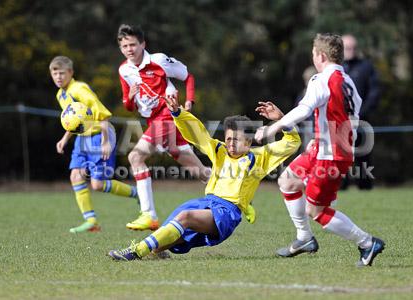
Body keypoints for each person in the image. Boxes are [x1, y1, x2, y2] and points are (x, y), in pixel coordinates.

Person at [107, 93, 301, 260]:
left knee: (185, 216)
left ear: (249, 141)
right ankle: (155, 251)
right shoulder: (220, 150)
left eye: (237, 140)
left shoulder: (259, 158)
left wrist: (281, 119)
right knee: (162, 240)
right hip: (206, 203)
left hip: (227, 212)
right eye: (228, 139)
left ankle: (135, 252)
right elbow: (198, 134)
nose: (231, 144)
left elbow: (292, 142)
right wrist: (178, 113)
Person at [255, 33, 384, 267]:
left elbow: (304, 109)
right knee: (287, 181)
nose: (313, 57)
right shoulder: (347, 80)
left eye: (313, 53)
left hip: (330, 154)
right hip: (330, 148)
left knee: (317, 211)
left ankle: (367, 243)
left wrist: (271, 128)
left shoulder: (321, 79)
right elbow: (352, 113)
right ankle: (304, 238)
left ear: (321, 56)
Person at [117, 24, 210, 232]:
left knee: (135, 157)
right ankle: (236, 196)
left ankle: (148, 214)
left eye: (133, 44)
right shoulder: (124, 70)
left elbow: (188, 76)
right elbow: (128, 105)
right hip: (153, 120)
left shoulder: (158, 60)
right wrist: (130, 98)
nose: (129, 49)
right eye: (124, 46)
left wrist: (189, 102)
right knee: (197, 170)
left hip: (167, 115)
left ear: (143, 44)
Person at [50, 56, 138, 233]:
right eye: (54, 73)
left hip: (99, 136)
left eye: (62, 73)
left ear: (71, 73)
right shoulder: (61, 94)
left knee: (98, 185)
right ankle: (91, 221)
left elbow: (103, 114)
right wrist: (64, 139)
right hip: (82, 138)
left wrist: (105, 142)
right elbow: (75, 121)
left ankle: (138, 193)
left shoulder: (79, 89)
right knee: (75, 176)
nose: (58, 77)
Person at [341, 34, 381, 190]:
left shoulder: (366, 67)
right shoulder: (336, 68)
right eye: (347, 48)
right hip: (339, 122)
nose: (351, 51)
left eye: (353, 47)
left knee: (363, 157)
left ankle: (365, 188)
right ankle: (339, 188)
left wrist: (359, 115)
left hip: (362, 121)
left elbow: (374, 93)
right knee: (339, 156)